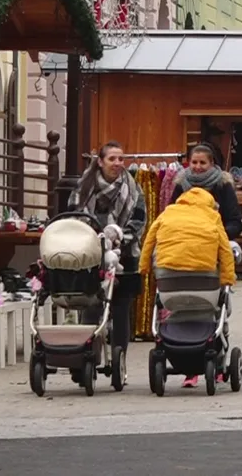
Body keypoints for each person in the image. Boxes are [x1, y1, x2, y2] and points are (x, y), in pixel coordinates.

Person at [137, 186, 237, 389]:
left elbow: (149, 240)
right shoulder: (212, 216)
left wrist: (144, 267)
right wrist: (227, 278)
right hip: (205, 283)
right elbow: (225, 249)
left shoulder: (168, 213)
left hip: (169, 283)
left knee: (171, 304)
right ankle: (216, 356)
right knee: (215, 307)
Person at [68, 141, 147, 382]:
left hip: (125, 255)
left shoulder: (133, 189)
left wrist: (120, 237)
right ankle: (86, 358)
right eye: (112, 159)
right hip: (90, 253)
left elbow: (140, 219)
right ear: (100, 161)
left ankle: (119, 363)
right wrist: (94, 238)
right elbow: (74, 216)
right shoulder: (84, 188)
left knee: (121, 308)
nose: (118, 164)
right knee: (92, 304)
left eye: (121, 159)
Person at [170, 145, 242, 239]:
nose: (198, 166)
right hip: (185, 240)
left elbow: (235, 221)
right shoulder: (181, 185)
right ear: (189, 163)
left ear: (211, 163)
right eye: (194, 162)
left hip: (216, 240)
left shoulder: (223, 185)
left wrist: (219, 234)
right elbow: (171, 214)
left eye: (202, 162)